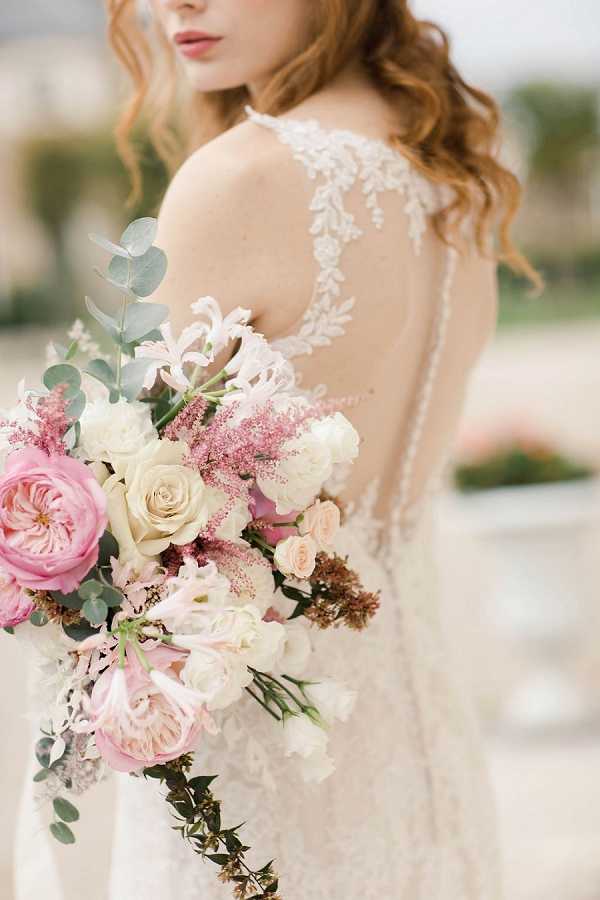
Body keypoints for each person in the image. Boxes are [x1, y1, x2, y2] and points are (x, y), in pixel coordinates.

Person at [101, 1, 540, 898]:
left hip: (252, 779)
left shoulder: (240, 180)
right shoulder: (459, 178)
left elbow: (127, 533)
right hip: (424, 761)